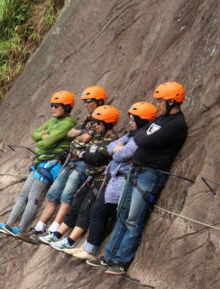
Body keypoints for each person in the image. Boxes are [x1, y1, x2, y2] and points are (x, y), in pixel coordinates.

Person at [87, 81, 188, 275]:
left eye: (160, 101)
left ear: (173, 101)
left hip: (150, 174)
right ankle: (108, 257)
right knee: (122, 215)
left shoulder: (176, 124)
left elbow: (142, 138)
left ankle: (121, 261)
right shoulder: (161, 120)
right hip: (136, 171)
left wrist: (140, 138)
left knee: (133, 218)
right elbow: (140, 135)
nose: (157, 104)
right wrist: (141, 138)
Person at [63, 102, 157, 258]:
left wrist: (117, 150)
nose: (130, 122)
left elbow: (120, 154)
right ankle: (88, 246)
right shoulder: (131, 135)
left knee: (99, 211)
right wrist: (116, 149)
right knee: (96, 211)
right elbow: (112, 147)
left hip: (122, 180)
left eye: (133, 120)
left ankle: (91, 249)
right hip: (114, 178)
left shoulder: (141, 136)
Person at [17, 86, 107, 243]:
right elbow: (71, 134)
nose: (86, 104)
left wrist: (79, 134)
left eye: (89, 101)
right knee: (53, 194)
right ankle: (39, 227)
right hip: (71, 159)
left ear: (99, 100)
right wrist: (80, 133)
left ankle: (53, 231)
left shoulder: (102, 120)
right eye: (84, 101)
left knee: (66, 197)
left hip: (81, 163)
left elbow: (84, 138)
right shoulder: (86, 120)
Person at [0, 91, 77, 235]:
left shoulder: (67, 124)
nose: (52, 108)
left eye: (56, 105)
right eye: (51, 105)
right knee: (23, 194)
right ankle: (9, 224)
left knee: (33, 197)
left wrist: (44, 139)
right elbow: (34, 134)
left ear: (66, 107)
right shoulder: (54, 120)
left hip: (50, 163)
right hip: (41, 161)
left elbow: (48, 143)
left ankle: (22, 228)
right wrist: (43, 135)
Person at [39, 105, 120, 250]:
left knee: (86, 209)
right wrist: (85, 154)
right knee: (76, 205)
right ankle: (56, 235)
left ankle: (70, 241)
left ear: (107, 123)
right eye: (95, 122)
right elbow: (79, 147)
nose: (95, 125)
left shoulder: (112, 138)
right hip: (90, 175)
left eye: (99, 122)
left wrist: (84, 155)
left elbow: (95, 157)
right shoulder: (97, 135)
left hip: (100, 178)